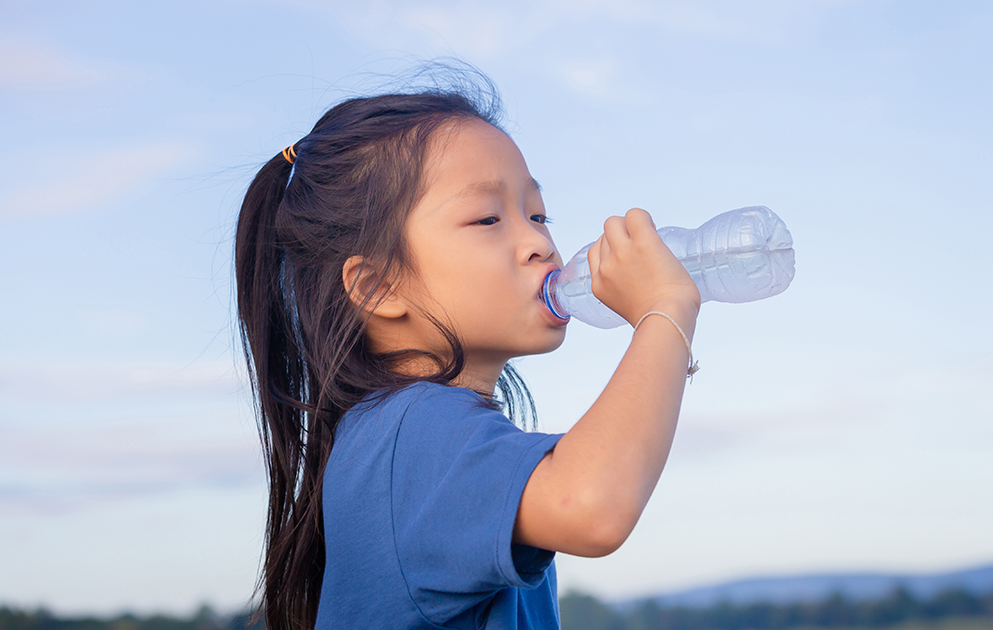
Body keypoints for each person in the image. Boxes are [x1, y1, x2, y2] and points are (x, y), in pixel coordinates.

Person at [234, 70, 701, 630]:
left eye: (537, 215)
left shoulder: (400, 438)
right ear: (378, 286)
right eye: (487, 219)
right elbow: (591, 507)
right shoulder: (414, 430)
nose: (539, 244)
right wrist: (665, 312)